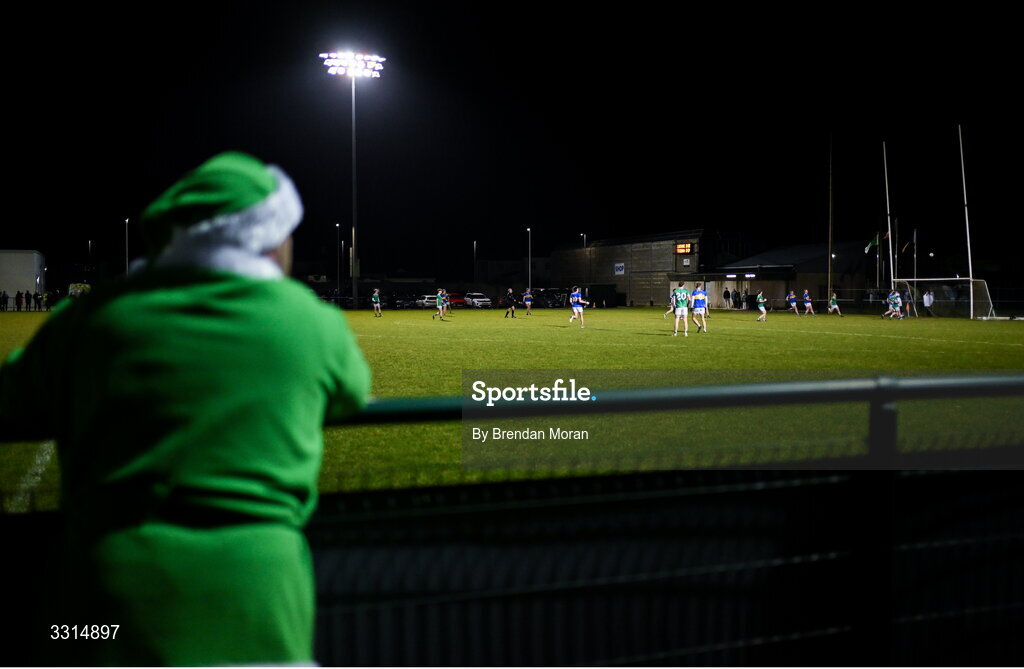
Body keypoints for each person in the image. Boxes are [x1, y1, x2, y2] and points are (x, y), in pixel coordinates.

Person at [0, 152, 372, 666]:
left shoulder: (91, 318)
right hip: (257, 594)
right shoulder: (312, 323)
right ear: (268, 238)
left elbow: (12, 402)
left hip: (104, 602)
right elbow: (353, 392)